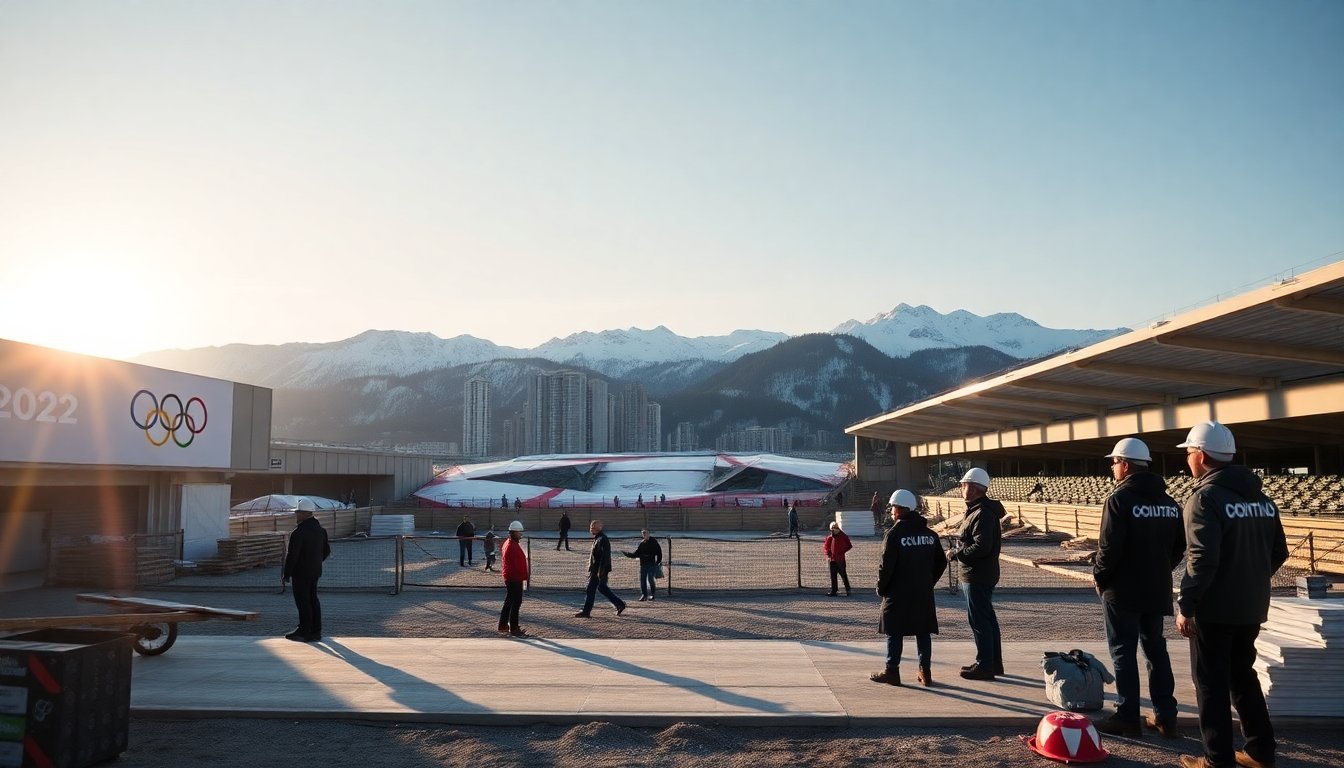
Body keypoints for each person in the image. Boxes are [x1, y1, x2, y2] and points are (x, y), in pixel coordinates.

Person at [1174, 422, 1288, 768]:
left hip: (1214, 609)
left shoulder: (1204, 497)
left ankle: (1216, 759)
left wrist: (1186, 604)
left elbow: (1202, 560)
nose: (1188, 459)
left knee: (1210, 685)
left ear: (1203, 455)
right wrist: (1249, 579)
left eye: (1190, 452)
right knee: (1243, 677)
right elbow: (1278, 551)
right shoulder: (1263, 499)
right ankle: (1260, 750)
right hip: (1250, 607)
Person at [1091, 438, 1185, 739]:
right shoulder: (1171, 504)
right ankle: (1166, 716)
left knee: (1123, 652)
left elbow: (1108, 549)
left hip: (1122, 590)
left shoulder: (1119, 500)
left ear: (1126, 465)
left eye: (1115, 462)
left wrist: (1100, 578)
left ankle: (1128, 716)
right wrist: (1159, 569)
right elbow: (1179, 547)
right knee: (1156, 650)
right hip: (1156, 589)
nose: (1112, 466)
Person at [871, 489, 946, 686]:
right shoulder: (930, 535)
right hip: (922, 592)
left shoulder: (894, 534)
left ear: (900, 509)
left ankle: (892, 671)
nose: (892, 511)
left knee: (894, 632)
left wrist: (882, 588)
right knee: (923, 631)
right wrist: (928, 582)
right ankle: (925, 671)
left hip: (898, 592)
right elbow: (941, 562)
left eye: (894, 507)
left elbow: (886, 566)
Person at [949, 467, 1004, 681]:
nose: (962, 488)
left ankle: (985, 665)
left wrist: (957, 553)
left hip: (977, 575)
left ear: (973, 488)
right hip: (980, 573)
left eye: (964, 485)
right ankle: (992, 662)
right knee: (987, 619)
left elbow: (982, 547)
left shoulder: (982, 513)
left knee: (979, 620)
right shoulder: (979, 510)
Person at [282, 506, 331, 643]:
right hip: (315, 571)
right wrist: (315, 562)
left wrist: (287, 574)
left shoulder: (298, 532)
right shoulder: (321, 531)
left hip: (301, 573)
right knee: (313, 600)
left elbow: (292, 555)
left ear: (304, 513)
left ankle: (304, 631)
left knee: (303, 602)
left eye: (297, 512)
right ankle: (316, 630)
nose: (296, 515)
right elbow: (326, 551)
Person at [574, 520, 627, 618]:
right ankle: (619, 604)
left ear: (599, 528)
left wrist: (600, 571)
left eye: (593, 527)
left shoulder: (602, 539)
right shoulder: (598, 538)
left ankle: (586, 611)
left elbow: (605, 557)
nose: (591, 529)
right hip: (597, 570)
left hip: (599, 570)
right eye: (591, 527)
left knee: (591, 589)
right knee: (602, 588)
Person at [498, 521, 529, 637]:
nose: (521, 534)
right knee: (516, 602)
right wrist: (524, 577)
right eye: (519, 532)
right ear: (513, 532)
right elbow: (517, 565)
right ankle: (514, 628)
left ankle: (503, 625)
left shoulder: (509, 543)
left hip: (510, 577)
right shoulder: (512, 546)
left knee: (509, 601)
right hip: (514, 578)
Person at [623, 529, 663, 601]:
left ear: (649, 534)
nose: (645, 535)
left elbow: (659, 552)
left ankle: (653, 594)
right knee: (642, 579)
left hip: (651, 563)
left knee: (650, 579)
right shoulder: (642, 543)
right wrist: (629, 555)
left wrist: (658, 562)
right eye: (643, 534)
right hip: (643, 564)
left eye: (646, 534)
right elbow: (637, 553)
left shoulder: (654, 542)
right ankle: (644, 595)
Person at [823, 521, 853, 597]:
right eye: (832, 529)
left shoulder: (843, 536)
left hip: (840, 560)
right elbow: (827, 547)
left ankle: (847, 590)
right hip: (833, 559)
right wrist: (828, 553)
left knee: (843, 575)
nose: (833, 531)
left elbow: (849, 546)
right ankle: (834, 590)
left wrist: (841, 552)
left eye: (834, 529)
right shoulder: (830, 537)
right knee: (833, 576)